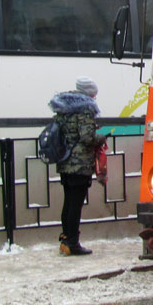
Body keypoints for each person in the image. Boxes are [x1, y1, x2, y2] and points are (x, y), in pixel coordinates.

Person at [49, 76, 106, 255]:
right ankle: (73, 243)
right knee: (76, 204)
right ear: (89, 93)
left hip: (65, 161)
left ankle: (66, 239)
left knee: (68, 201)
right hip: (79, 164)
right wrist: (103, 136)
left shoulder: (64, 108)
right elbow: (87, 138)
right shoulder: (84, 110)